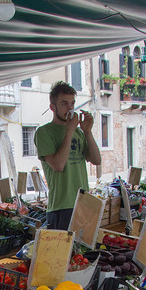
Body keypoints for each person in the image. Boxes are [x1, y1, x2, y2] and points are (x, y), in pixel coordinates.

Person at [35, 81, 101, 230]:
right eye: (64, 103)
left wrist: (87, 132)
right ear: (53, 107)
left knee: (82, 252)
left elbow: (96, 160)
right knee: (62, 252)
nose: (70, 108)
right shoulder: (44, 132)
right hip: (61, 207)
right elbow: (58, 165)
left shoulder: (79, 132)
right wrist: (69, 131)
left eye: (72, 103)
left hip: (82, 203)